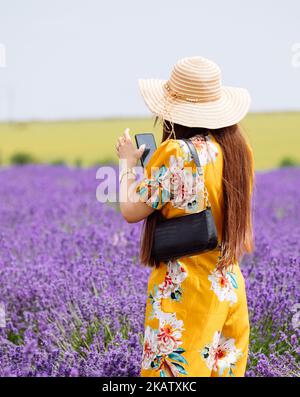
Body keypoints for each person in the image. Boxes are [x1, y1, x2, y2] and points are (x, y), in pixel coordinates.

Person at [115, 56, 255, 377]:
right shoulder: (237, 151)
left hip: (184, 294)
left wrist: (126, 163)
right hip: (228, 287)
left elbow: (131, 210)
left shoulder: (175, 153)